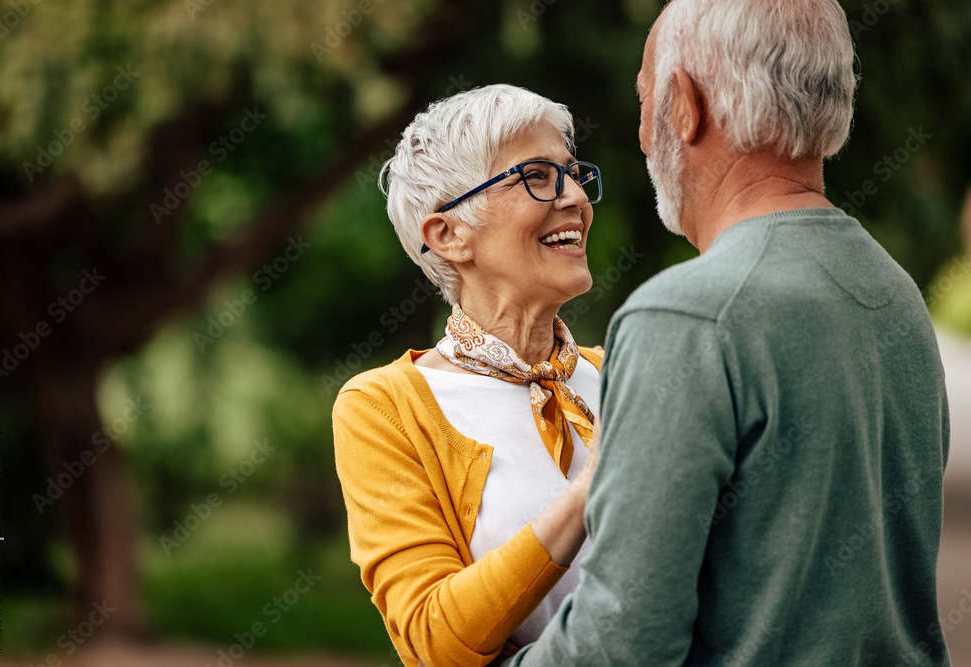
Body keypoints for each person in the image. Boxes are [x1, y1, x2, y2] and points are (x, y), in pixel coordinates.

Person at [508, 0, 950, 665]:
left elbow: (623, 642)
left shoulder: (686, 317)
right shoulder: (895, 296)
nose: (640, 135)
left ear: (684, 106)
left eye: (644, 100)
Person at [331, 84, 607, 666]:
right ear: (448, 235)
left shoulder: (626, 368)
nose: (575, 199)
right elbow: (435, 642)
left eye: (573, 172)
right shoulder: (384, 408)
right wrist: (591, 492)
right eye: (536, 175)